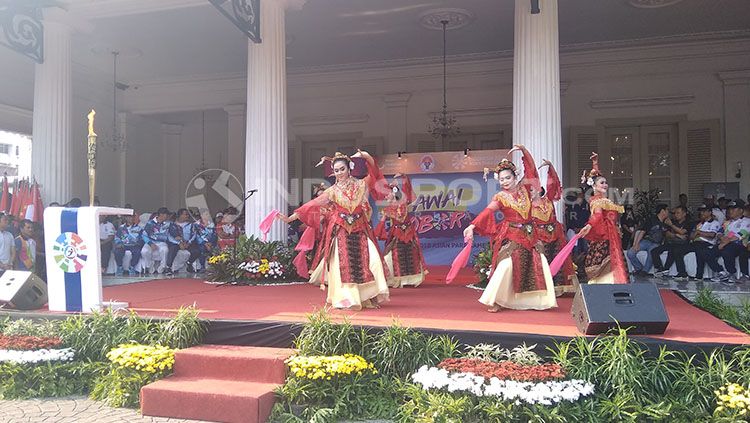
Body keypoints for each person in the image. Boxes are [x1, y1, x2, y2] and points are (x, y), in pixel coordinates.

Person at [277, 150, 389, 310]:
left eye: (342, 169)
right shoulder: (332, 191)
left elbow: (375, 171)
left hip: (361, 229)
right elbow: (312, 205)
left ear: (349, 168)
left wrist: (366, 156)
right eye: (336, 170)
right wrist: (290, 218)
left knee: (372, 261)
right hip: (342, 230)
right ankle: (348, 298)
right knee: (343, 265)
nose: (339, 173)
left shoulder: (361, 184)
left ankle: (366, 296)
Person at [463, 145, 557, 312]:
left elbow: (532, 172)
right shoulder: (500, 197)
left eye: (507, 178)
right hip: (512, 234)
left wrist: (525, 152)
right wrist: (472, 225)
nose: (504, 182)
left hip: (530, 234)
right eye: (501, 179)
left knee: (537, 264)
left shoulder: (526, 190)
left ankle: (534, 301)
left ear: (515, 177)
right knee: (507, 265)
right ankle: (496, 299)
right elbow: (487, 211)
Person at [577, 153, 629, 284]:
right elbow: (597, 215)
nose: (605, 185)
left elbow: (595, 175)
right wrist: (589, 225)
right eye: (602, 183)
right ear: (594, 186)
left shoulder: (603, 199)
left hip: (610, 235)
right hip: (603, 236)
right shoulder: (597, 200)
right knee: (604, 262)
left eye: (606, 182)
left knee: (610, 262)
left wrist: (595, 163)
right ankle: (604, 286)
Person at [531, 159, 577, 295]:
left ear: (539, 190)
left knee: (558, 260)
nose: (530, 192)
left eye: (532, 189)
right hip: (539, 237)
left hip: (555, 235)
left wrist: (551, 167)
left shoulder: (548, 200)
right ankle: (542, 287)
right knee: (543, 261)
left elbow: (555, 184)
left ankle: (558, 287)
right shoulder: (527, 206)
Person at [377, 173, 426, 288]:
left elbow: (407, 188)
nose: (385, 197)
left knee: (411, 254)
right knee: (393, 255)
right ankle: (399, 280)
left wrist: (404, 177)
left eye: (386, 194)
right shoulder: (387, 209)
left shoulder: (404, 203)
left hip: (408, 233)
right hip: (397, 234)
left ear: (393, 193)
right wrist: (376, 233)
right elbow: (381, 224)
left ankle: (411, 280)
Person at [652, 206, 695, 280]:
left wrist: (672, 226)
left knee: (676, 251)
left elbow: (683, 232)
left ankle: (682, 273)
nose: (676, 215)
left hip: (684, 244)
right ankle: (660, 268)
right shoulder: (674, 222)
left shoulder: (689, 223)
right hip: (672, 243)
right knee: (654, 251)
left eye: (678, 213)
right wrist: (677, 235)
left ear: (684, 214)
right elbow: (667, 233)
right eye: (675, 213)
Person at [627, 204, 669, 276]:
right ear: (663, 211)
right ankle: (639, 268)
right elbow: (642, 232)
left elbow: (668, 236)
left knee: (652, 251)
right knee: (630, 253)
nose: (668, 212)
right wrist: (636, 244)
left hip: (656, 244)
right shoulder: (651, 220)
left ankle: (645, 271)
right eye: (667, 210)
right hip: (646, 241)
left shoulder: (667, 223)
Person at [713, 200, 750, 284]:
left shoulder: (747, 221)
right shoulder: (727, 222)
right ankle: (722, 272)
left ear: (741, 210)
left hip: (740, 246)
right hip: (725, 243)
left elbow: (742, 234)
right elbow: (719, 232)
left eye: (734, 209)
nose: (730, 211)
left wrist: (725, 242)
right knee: (708, 252)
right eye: (730, 209)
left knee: (727, 251)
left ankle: (731, 273)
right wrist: (722, 238)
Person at [687, 204, 723, 280]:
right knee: (679, 249)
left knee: (700, 251)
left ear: (710, 212)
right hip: (695, 243)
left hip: (707, 243)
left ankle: (700, 274)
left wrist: (699, 232)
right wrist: (699, 233)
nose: (702, 213)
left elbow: (712, 235)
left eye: (704, 211)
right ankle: (684, 273)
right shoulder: (699, 224)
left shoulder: (715, 223)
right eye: (701, 211)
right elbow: (691, 236)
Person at [141, 207, 171, 275]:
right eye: (166, 214)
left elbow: (170, 236)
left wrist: (179, 242)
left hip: (161, 242)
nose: (167, 216)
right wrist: (150, 243)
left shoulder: (168, 224)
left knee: (165, 250)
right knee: (144, 251)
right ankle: (148, 267)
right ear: (161, 214)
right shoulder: (150, 223)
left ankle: (163, 267)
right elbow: (144, 235)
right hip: (150, 242)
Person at [113, 211, 143, 276]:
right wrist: (119, 243)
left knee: (137, 252)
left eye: (132, 217)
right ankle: (120, 267)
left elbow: (141, 238)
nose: (131, 219)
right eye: (129, 217)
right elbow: (117, 238)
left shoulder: (139, 228)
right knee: (117, 251)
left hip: (134, 245)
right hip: (123, 245)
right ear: (126, 218)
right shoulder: (121, 228)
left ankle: (132, 267)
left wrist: (137, 242)